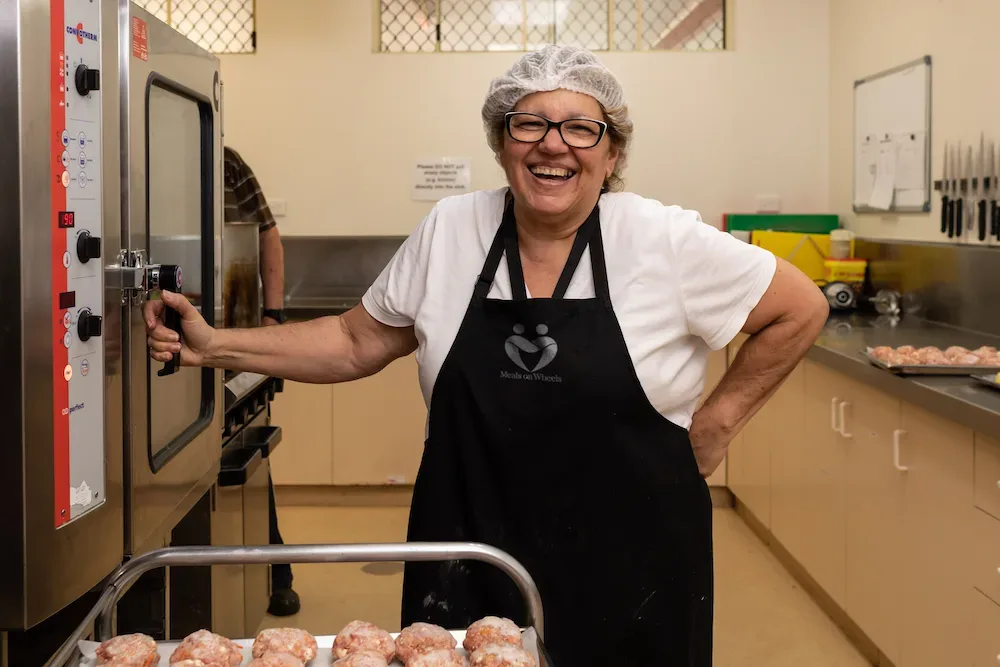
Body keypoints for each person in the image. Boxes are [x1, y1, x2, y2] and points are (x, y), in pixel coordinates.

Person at [151, 47, 828, 665]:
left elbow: (800, 307)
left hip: (634, 560)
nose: (552, 145)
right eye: (527, 124)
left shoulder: (662, 240)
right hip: (471, 556)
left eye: (580, 127)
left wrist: (711, 431)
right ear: (501, 144)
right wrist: (215, 345)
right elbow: (355, 340)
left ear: (613, 151)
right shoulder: (451, 230)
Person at [222, 146, 299, 617]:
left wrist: (273, 315)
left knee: (249, 452)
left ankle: (276, 574)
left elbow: (268, 235)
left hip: (238, 336)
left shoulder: (228, 163)